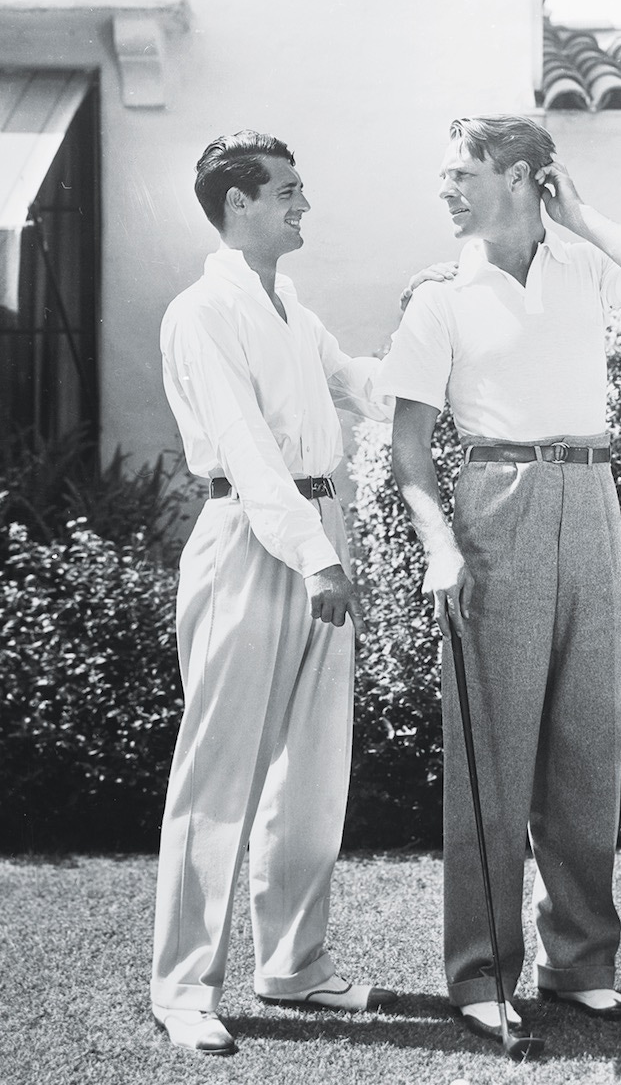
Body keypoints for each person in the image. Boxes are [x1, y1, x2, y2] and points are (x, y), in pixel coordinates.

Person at [379, 114, 621, 1046]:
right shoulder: (438, 295)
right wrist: (440, 540)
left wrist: (585, 214)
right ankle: (481, 976)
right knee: (494, 751)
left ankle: (580, 963)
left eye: (463, 172)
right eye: (443, 172)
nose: (445, 189)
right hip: (496, 504)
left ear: (523, 178)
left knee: (585, 744)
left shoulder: (583, 266)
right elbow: (408, 448)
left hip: (589, 496)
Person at [151, 130, 399, 1055]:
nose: (304, 204)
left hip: (317, 531)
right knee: (221, 770)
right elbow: (248, 451)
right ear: (237, 205)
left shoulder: (288, 301)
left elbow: (354, 386)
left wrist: (423, 354)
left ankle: (293, 965)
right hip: (256, 540)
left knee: (312, 765)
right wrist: (314, 558)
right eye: (288, 190)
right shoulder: (200, 312)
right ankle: (183, 990)